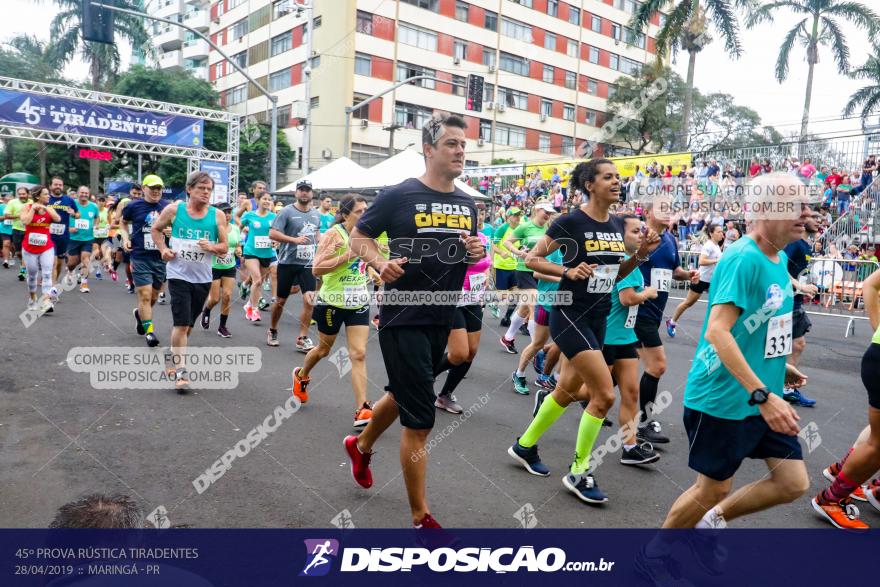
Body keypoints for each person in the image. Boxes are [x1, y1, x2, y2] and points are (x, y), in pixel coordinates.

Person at [638, 174, 811, 579]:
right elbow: (717, 330)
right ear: (765, 211)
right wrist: (763, 395)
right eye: (796, 206)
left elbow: (751, 326)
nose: (807, 214)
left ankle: (708, 524)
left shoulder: (778, 259)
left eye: (808, 204)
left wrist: (778, 366)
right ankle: (653, 553)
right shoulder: (741, 258)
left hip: (759, 392)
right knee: (712, 488)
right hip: (725, 399)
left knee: (792, 483)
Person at [343, 114, 483, 528]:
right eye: (452, 144)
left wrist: (472, 252)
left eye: (463, 145)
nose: (460, 151)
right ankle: (421, 517)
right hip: (404, 314)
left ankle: (361, 442)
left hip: (445, 310)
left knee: (410, 389)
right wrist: (380, 262)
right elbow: (359, 238)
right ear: (428, 148)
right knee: (420, 419)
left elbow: (464, 253)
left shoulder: (467, 203)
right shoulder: (399, 194)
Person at [507, 158, 659, 504]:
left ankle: (524, 445)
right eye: (608, 177)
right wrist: (567, 272)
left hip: (600, 315)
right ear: (590, 184)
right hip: (570, 314)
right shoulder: (570, 221)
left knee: (566, 390)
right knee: (604, 395)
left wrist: (642, 256)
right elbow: (532, 260)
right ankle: (579, 470)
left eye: (618, 178)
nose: (617, 182)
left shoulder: (617, 224)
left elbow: (617, 274)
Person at [292, 194, 374, 427]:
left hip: (358, 301)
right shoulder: (334, 234)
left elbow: (364, 263)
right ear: (346, 214)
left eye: (367, 210)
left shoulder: (368, 235)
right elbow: (317, 268)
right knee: (323, 350)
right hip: (332, 302)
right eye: (360, 211)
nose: (365, 215)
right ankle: (301, 375)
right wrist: (350, 253)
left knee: (358, 354)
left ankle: (362, 409)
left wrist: (372, 270)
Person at [631, 196, 699, 445]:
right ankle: (645, 423)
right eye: (663, 208)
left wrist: (687, 275)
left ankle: (578, 395)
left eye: (671, 208)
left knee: (617, 369)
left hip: (654, 313)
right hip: (637, 310)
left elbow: (674, 270)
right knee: (657, 366)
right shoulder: (638, 236)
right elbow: (624, 266)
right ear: (647, 212)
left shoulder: (670, 238)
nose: (670, 212)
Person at [151, 171, 228, 392]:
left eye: (209, 189)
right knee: (182, 324)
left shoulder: (217, 216)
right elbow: (156, 229)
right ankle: (180, 370)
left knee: (188, 325)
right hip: (177, 274)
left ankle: (171, 356)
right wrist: (163, 248)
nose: (205, 192)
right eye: (201, 188)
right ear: (189, 189)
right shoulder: (175, 210)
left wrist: (211, 247)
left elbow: (224, 247)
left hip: (203, 277)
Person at [603, 214, 660, 465]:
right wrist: (647, 293)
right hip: (607, 337)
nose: (641, 236)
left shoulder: (634, 263)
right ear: (620, 236)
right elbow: (627, 299)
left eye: (641, 231)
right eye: (635, 231)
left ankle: (630, 447)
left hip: (626, 336)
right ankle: (552, 396)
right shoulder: (624, 264)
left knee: (631, 392)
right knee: (584, 392)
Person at [434, 207, 491, 414]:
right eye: (475, 215)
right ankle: (419, 381)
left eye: (482, 214)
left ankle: (444, 395)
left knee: (471, 352)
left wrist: (485, 290)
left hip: (474, 300)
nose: (480, 217)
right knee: (459, 353)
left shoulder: (484, 238)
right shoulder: (452, 239)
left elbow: (486, 265)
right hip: (453, 299)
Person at [269, 179, 320, 352]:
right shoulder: (286, 212)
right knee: (281, 300)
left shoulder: (315, 214)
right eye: (301, 190)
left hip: (307, 264)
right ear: (296, 193)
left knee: (309, 300)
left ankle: (302, 337)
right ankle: (273, 330)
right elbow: (273, 233)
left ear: (312, 193)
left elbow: (317, 235)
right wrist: (294, 240)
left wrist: (327, 245)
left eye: (307, 190)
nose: (304, 192)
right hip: (287, 262)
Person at [119, 175, 170, 348]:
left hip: (160, 258)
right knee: (145, 295)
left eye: (159, 188)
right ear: (143, 188)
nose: (156, 191)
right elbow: (123, 223)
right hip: (140, 256)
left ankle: (139, 314)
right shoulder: (133, 206)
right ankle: (149, 332)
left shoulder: (167, 207)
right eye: (152, 187)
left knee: (154, 297)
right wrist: (125, 238)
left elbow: (177, 227)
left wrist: (171, 231)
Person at [502, 200, 554, 358]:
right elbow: (507, 242)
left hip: (540, 269)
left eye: (550, 212)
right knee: (534, 306)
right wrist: (519, 253)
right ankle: (537, 349)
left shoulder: (548, 228)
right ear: (537, 210)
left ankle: (508, 338)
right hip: (524, 269)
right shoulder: (525, 226)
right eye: (546, 211)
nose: (548, 214)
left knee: (525, 308)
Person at [782, 208, 820, 407]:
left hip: (795, 301)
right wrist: (800, 286)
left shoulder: (806, 245)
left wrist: (806, 285)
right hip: (784, 302)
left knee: (797, 344)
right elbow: (779, 266)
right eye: (813, 218)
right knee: (781, 347)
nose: (817, 221)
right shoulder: (794, 244)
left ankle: (787, 388)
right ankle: (782, 388)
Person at [668, 223, 724, 330]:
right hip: (701, 279)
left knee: (716, 304)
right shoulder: (708, 245)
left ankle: (715, 329)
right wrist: (717, 260)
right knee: (688, 303)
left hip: (711, 281)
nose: (721, 234)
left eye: (722, 232)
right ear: (711, 234)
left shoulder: (716, 246)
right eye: (718, 232)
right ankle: (672, 321)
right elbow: (702, 261)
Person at [201, 204, 241, 338]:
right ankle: (207, 310)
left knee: (228, 296)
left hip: (229, 266)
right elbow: (204, 245)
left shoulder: (235, 228)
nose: (228, 215)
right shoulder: (212, 228)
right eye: (225, 212)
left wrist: (238, 250)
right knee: (215, 298)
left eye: (230, 212)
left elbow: (237, 244)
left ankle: (222, 327)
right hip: (213, 267)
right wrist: (215, 251)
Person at [240, 192, 277, 331]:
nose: (267, 201)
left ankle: (249, 303)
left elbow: (277, 233)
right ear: (258, 200)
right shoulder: (250, 215)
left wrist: (276, 241)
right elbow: (239, 225)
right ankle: (254, 309)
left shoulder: (273, 217)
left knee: (258, 282)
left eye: (269, 199)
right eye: (264, 199)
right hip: (251, 252)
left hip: (266, 253)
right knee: (258, 281)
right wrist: (239, 240)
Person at [20, 185, 60, 312]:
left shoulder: (49, 208)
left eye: (48, 194)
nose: (49, 196)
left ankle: (46, 301)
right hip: (29, 248)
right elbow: (25, 222)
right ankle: (32, 298)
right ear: (38, 196)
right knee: (32, 276)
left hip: (46, 247)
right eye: (46, 194)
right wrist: (33, 209)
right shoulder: (27, 207)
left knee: (47, 273)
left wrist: (45, 208)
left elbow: (57, 219)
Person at [490, 207, 522, 326]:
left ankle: (507, 318)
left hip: (515, 267)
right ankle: (495, 302)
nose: (518, 217)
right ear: (508, 217)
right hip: (502, 266)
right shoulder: (503, 228)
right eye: (515, 215)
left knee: (516, 295)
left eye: (519, 215)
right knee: (503, 295)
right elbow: (493, 245)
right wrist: (500, 253)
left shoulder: (520, 229)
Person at [67, 185, 100, 293]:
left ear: (89, 194)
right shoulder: (72, 204)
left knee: (85, 259)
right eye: (82, 192)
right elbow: (63, 217)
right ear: (77, 193)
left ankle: (84, 282)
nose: (84, 195)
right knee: (72, 263)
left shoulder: (93, 206)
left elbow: (96, 217)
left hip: (88, 238)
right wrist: (69, 228)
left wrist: (95, 226)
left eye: (86, 193)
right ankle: (70, 272)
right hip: (73, 237)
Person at [46, 176, 77, 288]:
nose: (58, 187)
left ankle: (54, 281)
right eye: (56, 184)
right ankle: (53, 287)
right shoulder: (46, 199)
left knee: (59, 263)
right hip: (49, 235)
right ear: (50, 186)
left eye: (60, 185)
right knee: (53, 263)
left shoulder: (69, 200)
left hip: (63, 236)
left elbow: (78, 215)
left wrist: (74, 213)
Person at [4, 187, 30, 281]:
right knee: (19, 252)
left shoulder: (32, 202)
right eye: (20, 194)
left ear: (28, 193)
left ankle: (23, 270)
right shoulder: (12, 202)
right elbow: (7, 215)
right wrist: (19, 215)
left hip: (29, 230)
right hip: (17, 229)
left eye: (24, 194)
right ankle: (23, 264)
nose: (22, 196)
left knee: (26, 251)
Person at [0, 193, 12, 268]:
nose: (10, 198)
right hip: (4, 228)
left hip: (16, 228)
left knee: (14, 247)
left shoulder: (15, 206)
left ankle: (12, 255)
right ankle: (6, 261)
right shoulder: (1, 206)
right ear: (4, 198)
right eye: (9, 197)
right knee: (6, 243)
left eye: (11, 197)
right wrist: (6, 217)